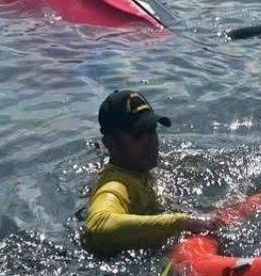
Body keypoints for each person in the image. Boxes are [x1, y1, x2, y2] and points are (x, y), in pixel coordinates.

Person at [82, 90, 212, 254]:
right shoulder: (116, 186)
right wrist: (183, 223)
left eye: (152, 130)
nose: (151, 141)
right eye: (138, 136)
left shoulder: (137, 170)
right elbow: (97, 228)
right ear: (110, 144)